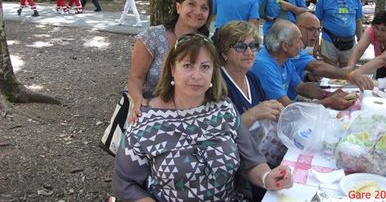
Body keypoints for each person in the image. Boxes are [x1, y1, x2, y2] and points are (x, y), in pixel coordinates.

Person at [112, 33, 293, 201]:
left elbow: (251, 161)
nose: (197, 76)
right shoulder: (145, 121)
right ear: (172, 70)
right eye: (188, 66)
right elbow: (125, 184)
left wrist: (267, 177)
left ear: (213, 72)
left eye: (205, 67)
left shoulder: (224, 109)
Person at [216, 21, 286, 200]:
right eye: (240, 46)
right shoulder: (218, 86)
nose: (249, 52)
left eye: (254, 46)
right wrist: (253, 114)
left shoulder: (252, 78)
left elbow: (263, 118)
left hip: (262, 154)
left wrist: (275, 113)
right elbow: (217, 135)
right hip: (238, 168)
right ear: (224, 52)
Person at [127, 0, 214, 122]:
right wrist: (138, 100)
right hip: (151, 113)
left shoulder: (206, 45)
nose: (198, 11)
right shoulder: (152, 37)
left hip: (191, 115)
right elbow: (135, 78)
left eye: (204, 8)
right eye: (192, 4)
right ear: (178, 7)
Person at [251, 20, 355, 110]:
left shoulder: (283, 59)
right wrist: (328, 102)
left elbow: (301, 87)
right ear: (285, 46)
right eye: (298, 40)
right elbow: (287, 107)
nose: (301, 45)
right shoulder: (264, 66)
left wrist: (329, 95)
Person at [288, 12, 373, 98]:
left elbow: (299, 85)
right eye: (311, 29)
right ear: (297, 27)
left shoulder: (298, 50)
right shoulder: (293, 50)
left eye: (318, 30)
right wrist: (349, 75)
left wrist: (307, 76)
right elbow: (317, 67)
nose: (316, 34)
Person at [315, 0, 363, 67]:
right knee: (330, 72)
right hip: (329, 41)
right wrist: (316, 44)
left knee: (347, 73)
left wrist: (360, 39)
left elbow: (358, 20)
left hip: (349, 42)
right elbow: (316, 22)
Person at [348, 10, 386, 81]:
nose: (378, 33)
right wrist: (349, 69)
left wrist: (358, 71)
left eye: (383, 30)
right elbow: (358, 50)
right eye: (376, 28)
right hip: (384, 68)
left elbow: (383, 59)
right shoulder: (372, 31)